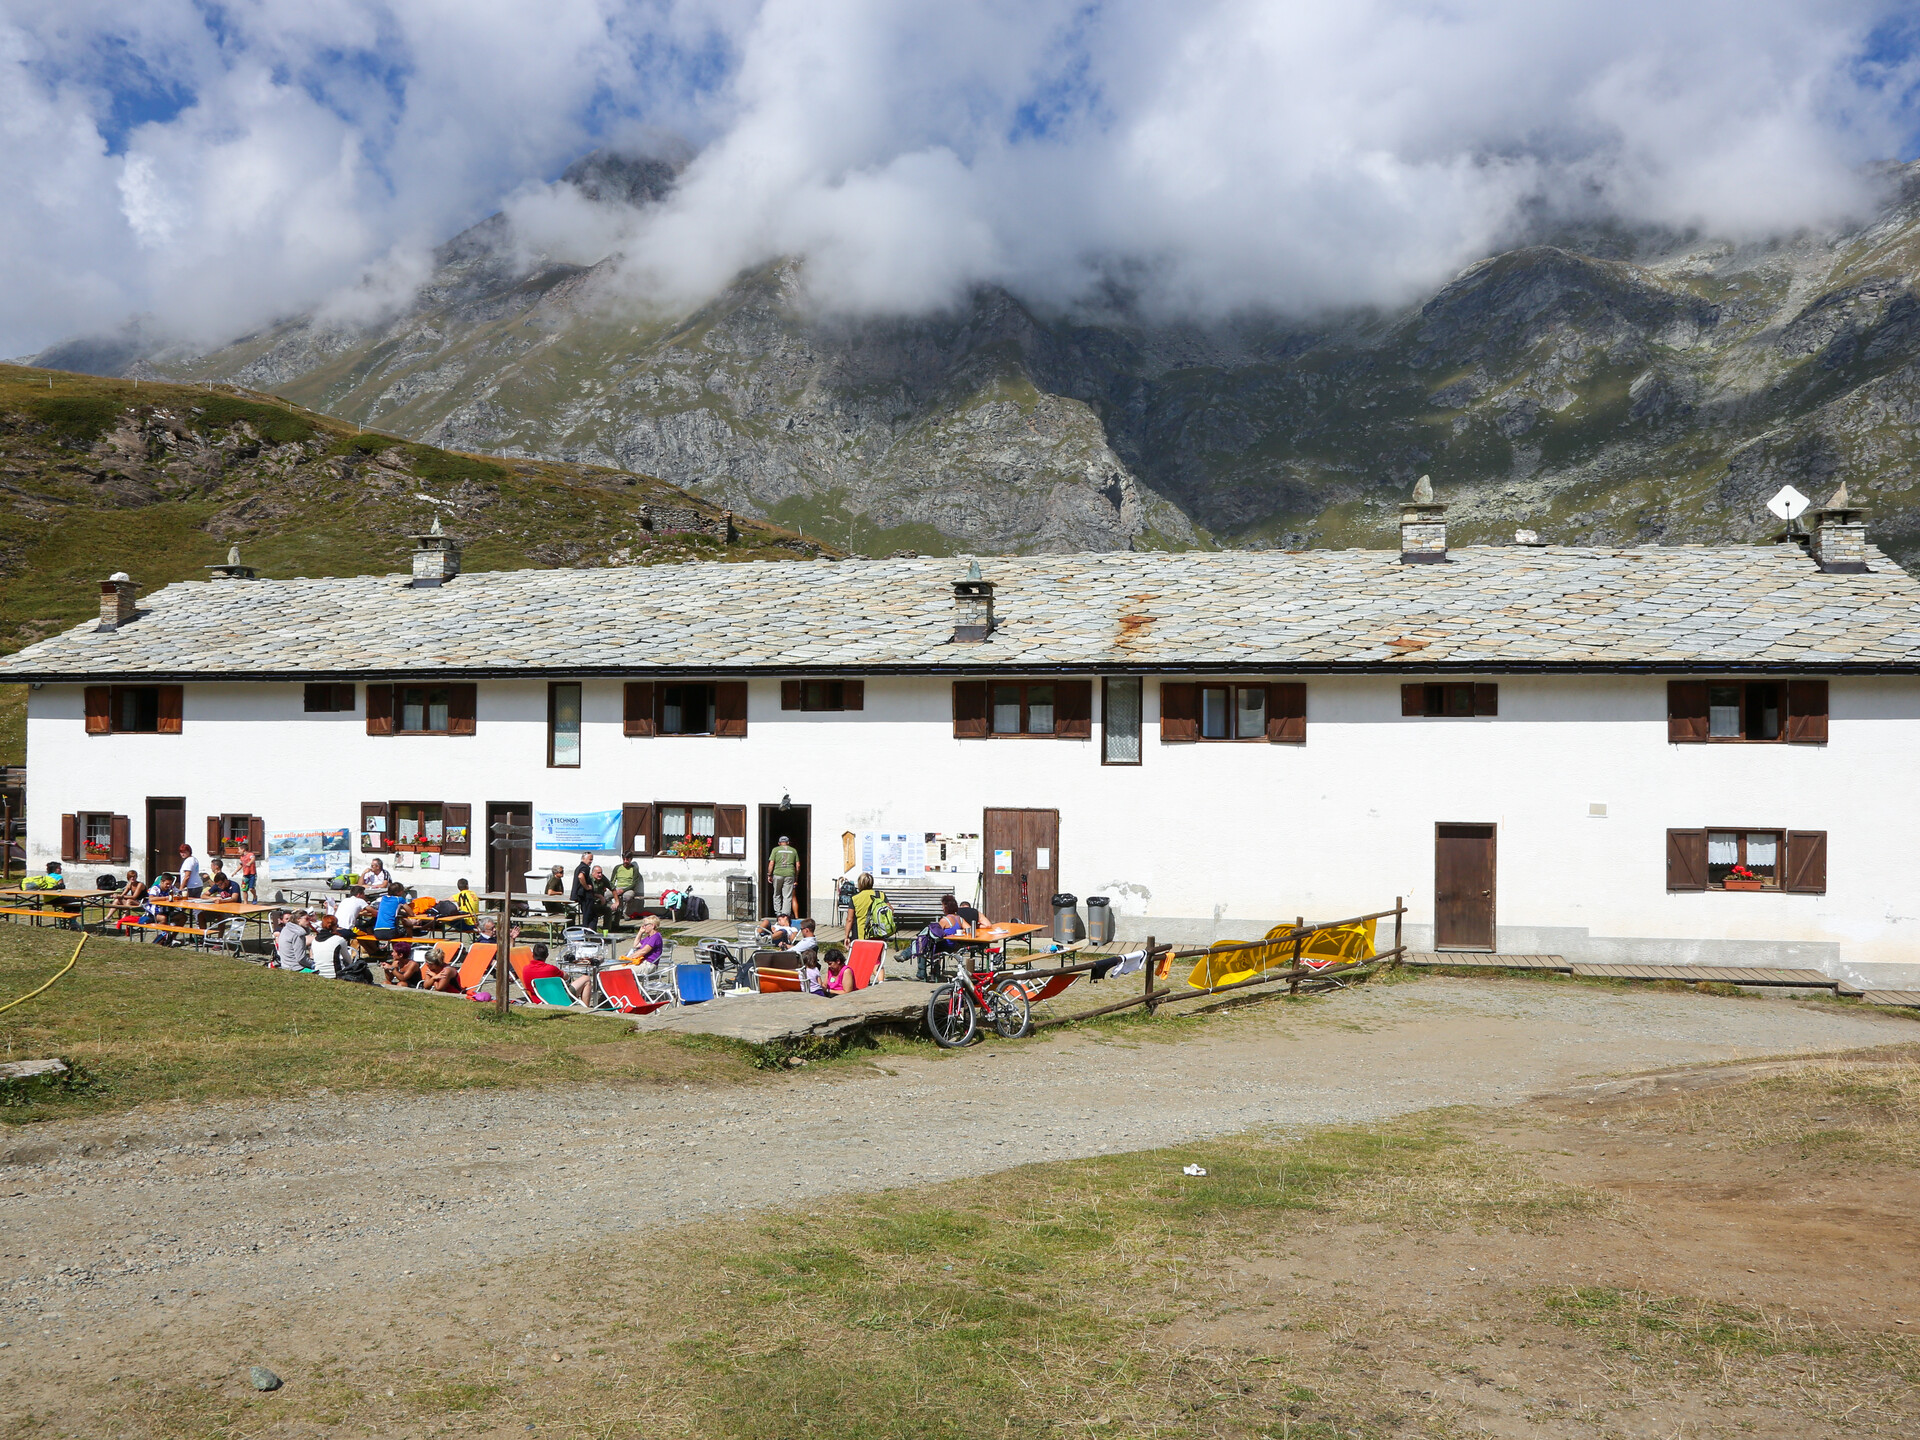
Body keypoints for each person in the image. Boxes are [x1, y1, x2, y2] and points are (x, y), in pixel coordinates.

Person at [522, 941, 588, 1003]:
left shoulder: (525, 969)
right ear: (547, 955)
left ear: (532, 954)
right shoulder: (551, 969)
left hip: (538, 1001)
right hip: (558, 1000)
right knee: (586, 979)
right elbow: (567, 977)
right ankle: (585, 1009)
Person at [767, 835, 800, 918]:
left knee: (777, 894)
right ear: (788, 843)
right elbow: (798, 865)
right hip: (790, 874)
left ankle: (778, 914)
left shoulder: (775, 850)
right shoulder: (793, 850)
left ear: (779, 843)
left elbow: (771, 863)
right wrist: (796, 876)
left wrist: (769, 874)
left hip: (778, 874)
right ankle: (785, 915)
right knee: (787, 896)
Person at [847, 873, 884, 939]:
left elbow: (849, 919)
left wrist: (846, 936)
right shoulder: (880, 895)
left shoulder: (855, 898)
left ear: (859, 884)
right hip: (878, 932)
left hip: (861, 933)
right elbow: (891, 911)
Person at [570, 854, 599, 929]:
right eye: (590, 859)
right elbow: (580, 876)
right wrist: (586, 887)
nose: (591, 861)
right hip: (585, 896)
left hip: (582, 896)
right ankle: (587, 934)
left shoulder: (580, 867)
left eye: (592, 859)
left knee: (589, 916)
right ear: (583, 858)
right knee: (589, 917)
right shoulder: (584, 867)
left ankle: (587, 933)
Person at [609, 854, 639, 920]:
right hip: (617, 887)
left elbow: (634, 884)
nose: (625, 861)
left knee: (627, 897)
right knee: (606, 895)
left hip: (628, 888)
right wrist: (613, 889)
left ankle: (625, 912)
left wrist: (624, 890)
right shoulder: (617, 867)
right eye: (624, 859)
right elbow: (612, 881)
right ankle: (613, 910)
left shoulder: (634, 869)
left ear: (631, 859)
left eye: (627, 860)